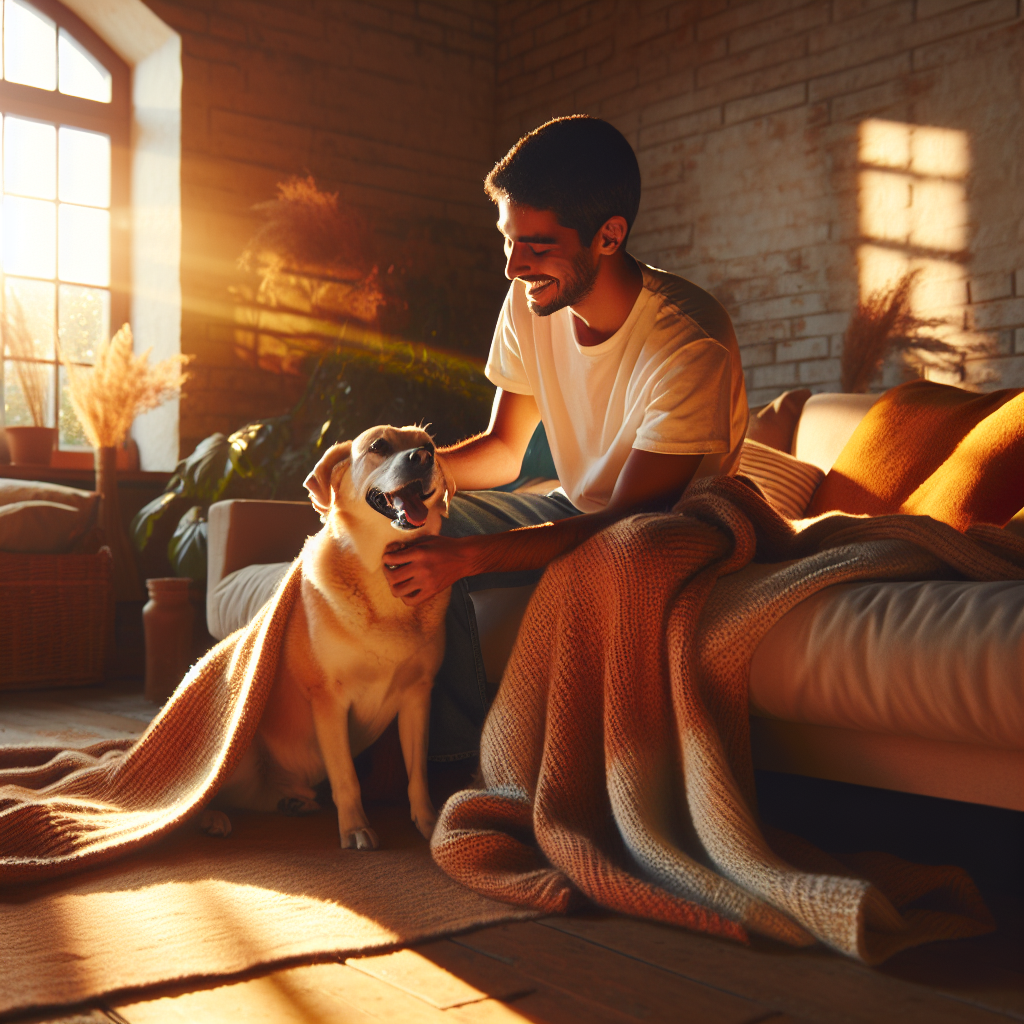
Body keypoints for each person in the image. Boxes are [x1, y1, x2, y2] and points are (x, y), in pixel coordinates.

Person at [308, 115, 748, 759]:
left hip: (666, 533)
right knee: (406, 524)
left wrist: (469, 557)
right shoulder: (533, 300)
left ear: (609, 236)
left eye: (536, 246)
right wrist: (382, 480)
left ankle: (472, 765)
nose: (514, 267)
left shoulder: (688, 343)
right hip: (574, 507)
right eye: (508, 241)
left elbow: (627, 521)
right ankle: (401, 750)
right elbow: (505, 450)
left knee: (517, 547)